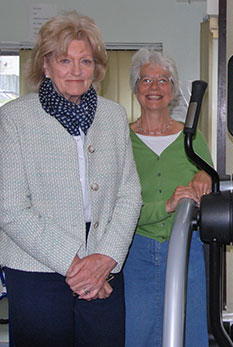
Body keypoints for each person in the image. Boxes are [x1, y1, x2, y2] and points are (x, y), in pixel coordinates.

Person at [0, 11, 142, 346]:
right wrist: (77, 266)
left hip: (104, 258)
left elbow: (130, 194)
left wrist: (105, 258)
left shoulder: (113, 115)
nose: (76, 71)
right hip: (36, 267)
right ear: (46, 66)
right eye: (65, 60)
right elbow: (10, 208)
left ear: (97, 67)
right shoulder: (14, 118)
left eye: (86, 60)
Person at [123, 48, 212, 347]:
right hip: (135, 249)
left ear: (173, 90)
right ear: (135, 88)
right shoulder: (121, 139)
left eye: (163, 80)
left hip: (187, 246)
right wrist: (167, 206)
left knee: (191, 331)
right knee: (138, 333)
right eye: (146, 79)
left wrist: (206, 176)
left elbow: (211, 179)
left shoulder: (192, 137)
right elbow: (114, 208)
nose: (154, 87)